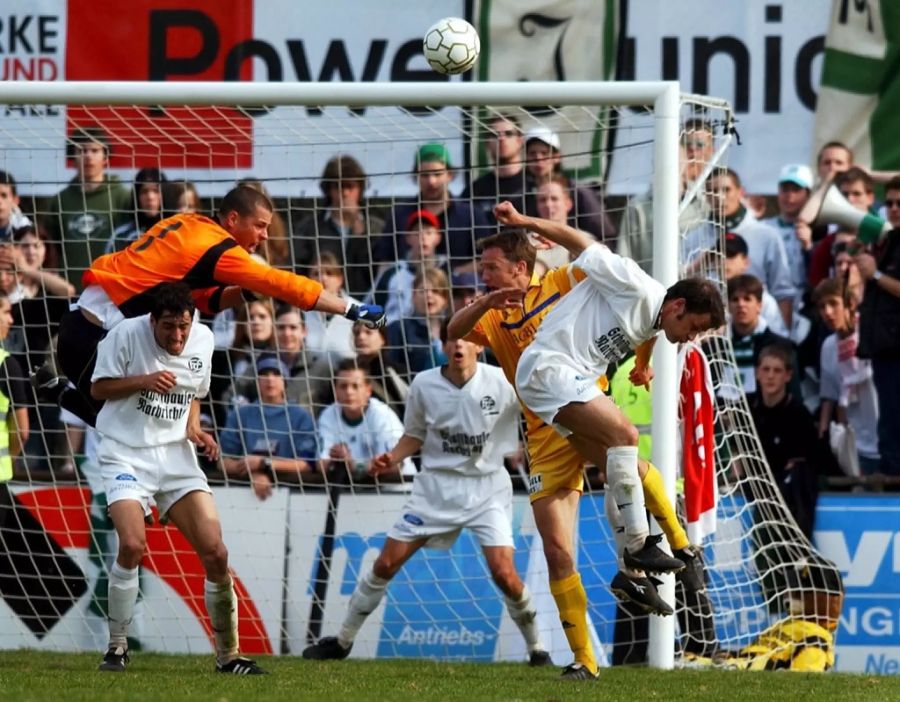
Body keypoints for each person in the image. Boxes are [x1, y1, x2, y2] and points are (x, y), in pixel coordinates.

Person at [447, 202, 708, 680]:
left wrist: (644, 362)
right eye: (483, 269)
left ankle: (670, 549)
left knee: (625, 456)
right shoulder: (490, 312)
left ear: (520, 267)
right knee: (558, 550)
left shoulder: (563, 283)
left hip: (585, 396)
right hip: (543, 420)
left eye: (491, 268)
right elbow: (451, 332)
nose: (483, 275)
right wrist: (483, 301)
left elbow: (635, 306)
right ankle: (586, 657)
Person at [32, 185, 386, 428]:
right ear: (232, 220)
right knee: (132, 426)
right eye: (260, 227)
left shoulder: (188, 224)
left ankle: (56, 390)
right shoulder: (219, 248)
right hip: (94, 337)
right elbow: (283, 283)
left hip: (84, 325)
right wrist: (350, 308)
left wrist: (245, 291)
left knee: (135, 424)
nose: (264, 236)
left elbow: (202, 300)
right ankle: (57, 391)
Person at [302, 327, 552, 666]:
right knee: (386, 563)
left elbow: (536, 414)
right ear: (443, 346)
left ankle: (537, 649)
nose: (459, 344)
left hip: (487, 488)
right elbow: (414, 434)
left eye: (466, 338)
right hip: (434, 488)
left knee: (504, 573)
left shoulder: (503, 381)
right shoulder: (424, 384)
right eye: (452, 339)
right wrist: (391, 457)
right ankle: (343, 641)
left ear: (479, 345)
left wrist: (528, 447)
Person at [90, 283, 264, 674]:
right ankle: (117, 647)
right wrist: (143, 380)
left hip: (175, 456)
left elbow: (193, 393)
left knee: (216, 553)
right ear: (153, 321)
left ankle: (228, 656)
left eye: (183, 326)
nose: (178, 336)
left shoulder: (203, 339)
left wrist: (195, 430)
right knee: (133, 545)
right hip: (124, 451)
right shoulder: (124, 335)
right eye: (169, 327)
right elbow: (97, 388)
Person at [41, 125, 132, 291]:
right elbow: (50, 250)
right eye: (82, 150)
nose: (88, 156)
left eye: (95, 150)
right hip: (70, 290)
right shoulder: (59, 201)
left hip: (114, 288)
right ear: (73, 156)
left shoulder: (123, 197)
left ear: (105, 156)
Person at [374, 143, 490, 270]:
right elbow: (385, 261)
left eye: (437, 174)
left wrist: (454, 275)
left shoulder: (472, 215)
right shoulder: (399, 215)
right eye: (424, 175)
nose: (431, 181)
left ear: (449, 175)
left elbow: (486, 259)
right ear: (416, 176)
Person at [747, 344, 822, 539]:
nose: (770, 376)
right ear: (757, 373)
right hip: (755, 490)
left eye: (777, 370)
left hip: (787, 499)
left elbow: (801, 462)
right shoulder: (747, 410)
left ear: (788, 376)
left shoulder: (799, 415)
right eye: (766, 369)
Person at [220, 354, 318, 501]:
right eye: (264, 374)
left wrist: (264, 464)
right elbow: (223, 461)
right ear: (256, 380)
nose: (270, 379)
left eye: (276, 374)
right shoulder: (240, 415)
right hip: (244, 495)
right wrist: (252, 472)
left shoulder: (301, 416)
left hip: (294, 494)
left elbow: (307, 465)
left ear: (285, 380)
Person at [814, 278, 881, 476]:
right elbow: (830, 395)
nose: (827, 312)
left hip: (885, 440)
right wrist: (826, 434)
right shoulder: (827, 346)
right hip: (856, 445)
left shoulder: (871, 332)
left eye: (833, 303)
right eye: (822, 306)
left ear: (850, 303)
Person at [292, 155, 383, 298]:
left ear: (360, 188)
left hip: (368, 306)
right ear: (328, 189)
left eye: (350, 186)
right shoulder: (310, 228)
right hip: (320, 305)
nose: (345, 193)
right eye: (338, 186)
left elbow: (379, 273)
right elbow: (297, 271)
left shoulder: (376, 228)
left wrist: (360, 236)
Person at [316, 359, 414, 484]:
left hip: (396, 490)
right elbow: (321, 465)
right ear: (335, 390)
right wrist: (336, 462)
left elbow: (396, 464)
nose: (349, 392)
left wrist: (353, 465)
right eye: (343, 386)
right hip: (353, 491)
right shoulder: (328, 415)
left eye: (355, 386)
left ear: (368, 390)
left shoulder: (382, 415)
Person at [522, 127, 615, 246]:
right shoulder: (523, 192)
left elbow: (604, 233)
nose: (538, 158)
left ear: (557, 157)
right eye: (532, 153)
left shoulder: (579, 192)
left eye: (544, 153)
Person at [367, 209, 449, 322]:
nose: (423, 237)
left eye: (428, 232)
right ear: (408, 238)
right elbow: (371, 308)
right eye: (417, 233)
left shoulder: (447, 272)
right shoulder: (392, 273)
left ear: (438, 238)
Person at [463, 115, 527, 225]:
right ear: (487, 143)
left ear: (520, 141)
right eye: (494, 135)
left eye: (508, 134)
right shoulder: (474, 190)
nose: (501, 138)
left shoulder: (535, 184)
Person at [0, 291, 29, 481]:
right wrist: (8, 459)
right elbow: (22, 431)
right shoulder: (6, 364)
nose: (11, 320)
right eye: (6, 312)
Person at [106, 168, 167, 253]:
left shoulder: (176, 232)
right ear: (136, 196)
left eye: (156, 191)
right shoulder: (121, 236)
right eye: (144, 191)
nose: (150, 197)